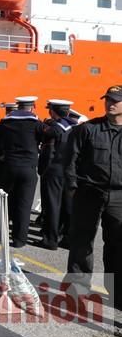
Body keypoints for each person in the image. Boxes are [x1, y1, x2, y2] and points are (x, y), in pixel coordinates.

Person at [64, 85, 122, 309]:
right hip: (89, 192)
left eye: (115, 100)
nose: (110, 103)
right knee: (81, 242)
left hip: (119, 196)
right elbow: (70, 159)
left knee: (118, 244)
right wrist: (72, 187)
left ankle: (118, 292)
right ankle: (77, 291)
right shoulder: (88, 130)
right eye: (108, 99)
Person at [0, 96, 45, 247]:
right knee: (24, 205)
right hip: (28, 169)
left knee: (3, 202)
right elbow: (51, 136)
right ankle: (20, 239)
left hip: (8, 167)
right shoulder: (36, 124)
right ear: (32, 107)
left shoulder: (5, 123)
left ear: (18, 107)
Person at [37, 99, 77, 250]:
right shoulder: (76, 127)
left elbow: (47, 144)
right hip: (71, 170)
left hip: (54, 170)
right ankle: (68, 237)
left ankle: (50, 240)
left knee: (52, 205)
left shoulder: (54, 128)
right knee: (68, 205)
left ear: (52, 111)